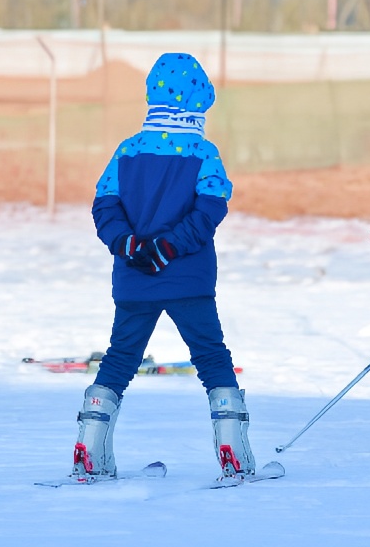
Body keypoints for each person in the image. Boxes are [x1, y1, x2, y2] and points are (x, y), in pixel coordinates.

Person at [70, 52, 252, 483]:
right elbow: (210, 209)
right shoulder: (203, 153)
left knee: (119, 359)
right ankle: (234, 451)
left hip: (135, 281)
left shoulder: (128, 151)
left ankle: (90, 449)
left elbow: (104, 205)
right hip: (189, 279)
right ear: (199, 101)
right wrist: (169, 246)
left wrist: (128, 243)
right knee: (211, 357)